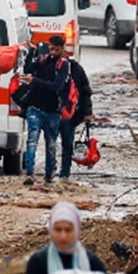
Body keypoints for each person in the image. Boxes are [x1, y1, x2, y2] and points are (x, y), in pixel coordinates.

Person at [21, 36, 73, 185]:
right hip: (35, 107)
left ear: (62, 49)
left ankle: (49, 174)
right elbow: (28, 68)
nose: (53, 52)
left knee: (51, 144)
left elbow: (56, 87)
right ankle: (29, 173)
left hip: (52, 111)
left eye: (57, 49)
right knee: (32, 141)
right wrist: (31, 51)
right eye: (51, 48)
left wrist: (35, 81)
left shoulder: (64, 65)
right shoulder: (43, 60)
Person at [59, 54, 95, 183]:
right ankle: (50, 172)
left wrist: (87, 112)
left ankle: (64, 173)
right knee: (51, 144)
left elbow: (85, 91)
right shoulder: (47, 65)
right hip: (51, 112)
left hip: (69, 113)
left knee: (67, 144)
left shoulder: (75, 68)